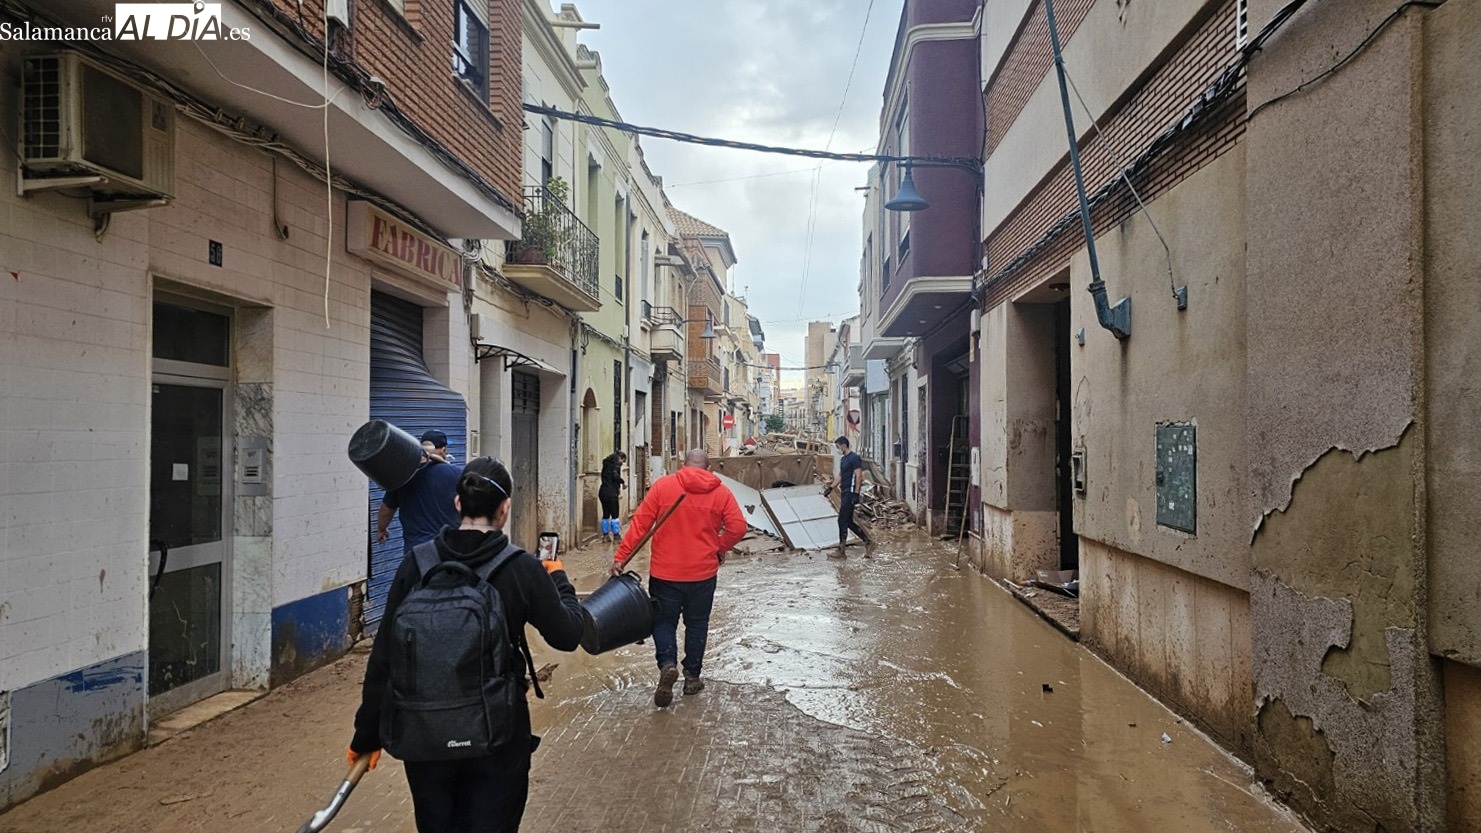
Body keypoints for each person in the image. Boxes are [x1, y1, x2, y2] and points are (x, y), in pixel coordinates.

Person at [348, 457, 585, 833]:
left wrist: (367, 735)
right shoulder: (521, 567)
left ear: (457, 504)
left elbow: (385, 658)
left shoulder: (417, 563)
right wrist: (558, 579)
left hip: (425, 737)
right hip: (498, 734)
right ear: (505, 509)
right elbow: (569, 635)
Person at [611, 449, 745, 707]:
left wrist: (621, 557)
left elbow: (640, 524)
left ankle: (667, 664)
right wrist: (719, 546)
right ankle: (692, 678)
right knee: (697, 624)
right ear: (708, 469)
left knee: (663, 621)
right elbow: (738, 527)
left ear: (683, 465)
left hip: (665, 573)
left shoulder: (663, 487)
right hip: (702, 574)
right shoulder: (721, 492)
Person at [376, 430, 461, 556]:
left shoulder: (404, 475)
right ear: (443, 450)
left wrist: (381, 529)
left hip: (416, 551)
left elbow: (386, 509)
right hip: (448, 549)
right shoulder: (457, 473)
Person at [832, 436, 873, 559]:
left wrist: (856, 493)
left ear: (843, 445)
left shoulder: (854, 458)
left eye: (838, 447)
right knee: (848, 521)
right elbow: (840, 476)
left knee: (841, 520)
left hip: (850, 493)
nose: (838, 449)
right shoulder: (843, 459)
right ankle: (868, 542)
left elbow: (859, 476)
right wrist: (831, 487)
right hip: (844, 492)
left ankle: (841, 550)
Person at [598, 451, 627, 543]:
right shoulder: (615, 466)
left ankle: (605, 535)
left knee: (606, 514)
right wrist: (623, 482)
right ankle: (616, 536)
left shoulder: (605, 465)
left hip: (603, 492)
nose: (622, 463)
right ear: (619, 458)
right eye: (623, 460)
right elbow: (615, 476)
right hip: (612, 494)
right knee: (615, 515)